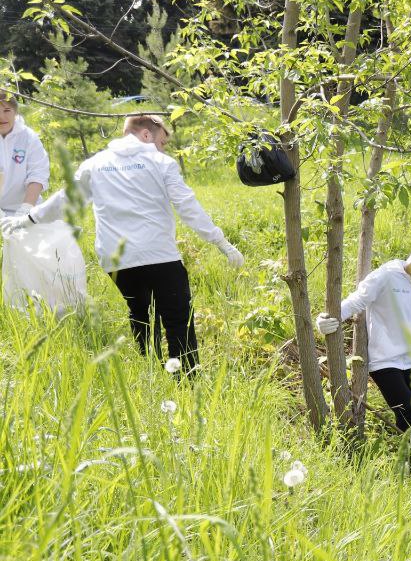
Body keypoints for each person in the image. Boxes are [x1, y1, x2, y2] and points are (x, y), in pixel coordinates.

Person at [10, 115, 242, 373]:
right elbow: (188, 207)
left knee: (141, 315)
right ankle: (186, 380)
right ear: (146, 135)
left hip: (117, 261)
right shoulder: (161, 163)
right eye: (162, 142)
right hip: (160, 256)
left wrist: (29, 219)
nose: (162, 148)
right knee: (178, 320)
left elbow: (66, 200)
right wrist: (222, 243)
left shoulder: (95, 164)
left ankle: (152, 375)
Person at [315, 238, 411, 439]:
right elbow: (357, 300)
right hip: (385, 361)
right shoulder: (386, 276)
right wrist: (329, 317)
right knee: (410, 414)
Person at [0, 92, 49, 221]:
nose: (1, 117)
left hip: (26, 207)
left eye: (6, 110)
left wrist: (26, 209)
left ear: (15, 112)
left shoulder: (29, 137)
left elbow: (38, 173)